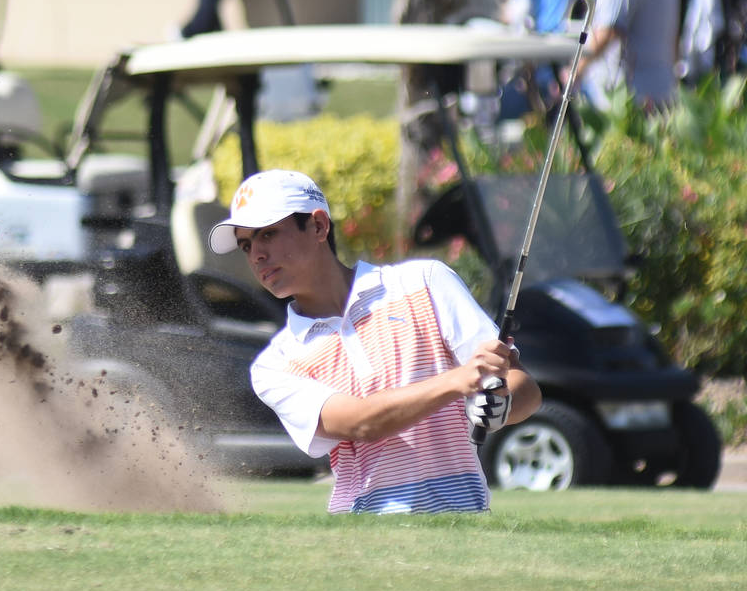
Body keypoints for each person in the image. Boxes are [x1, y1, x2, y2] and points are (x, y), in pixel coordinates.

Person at [208, 169, 540, 514]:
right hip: (363, 536)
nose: (256, 255)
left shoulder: (425, 282)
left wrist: (502, 405)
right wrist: (456, 382)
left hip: (463, 521)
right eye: (246, 245)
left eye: (268, 234)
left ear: (318, 226)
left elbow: (523, 386)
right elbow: (361, 423)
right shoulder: (275, 364)